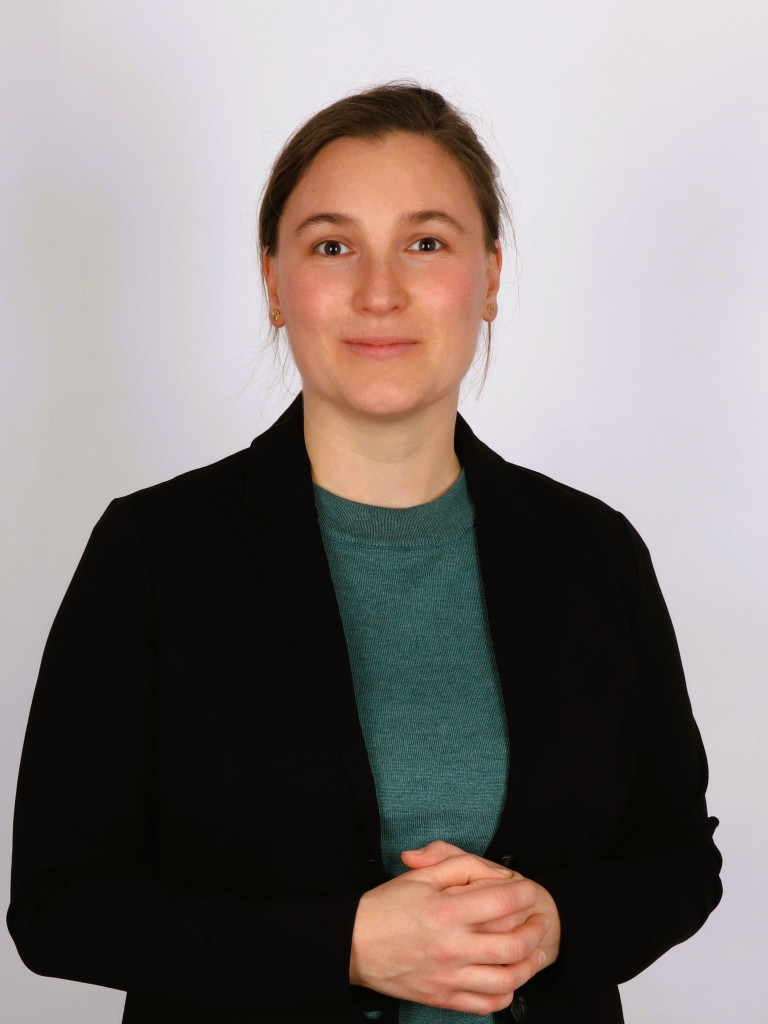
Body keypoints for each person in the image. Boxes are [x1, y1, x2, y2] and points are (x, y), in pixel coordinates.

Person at [8, 83, 721, 1024]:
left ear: (492, 277)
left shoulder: (596, 554)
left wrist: (556, 925)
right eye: (332, 245)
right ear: (273, 281)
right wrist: (343, 945)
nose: (379, 291)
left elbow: (679, 855)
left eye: (426, 243)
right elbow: (58, 906)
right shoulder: (152, 554)